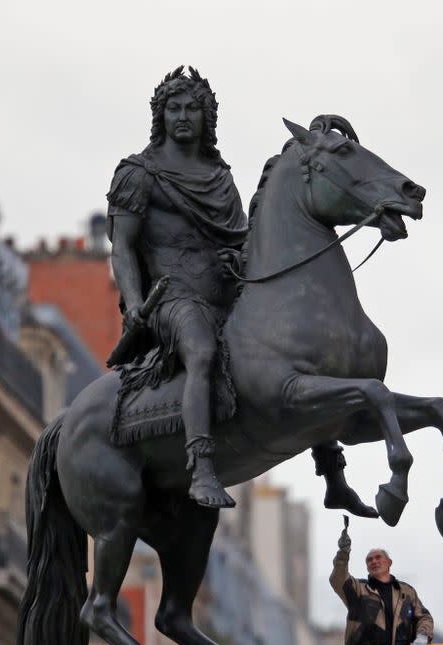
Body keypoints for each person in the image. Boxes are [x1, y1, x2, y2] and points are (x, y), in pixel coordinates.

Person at [106, 65, 381, 516]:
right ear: (159, 115)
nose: (182, 116)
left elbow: (238, 235)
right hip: (173, 295)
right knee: (200, 351)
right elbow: (122, 247)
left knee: (299, 347)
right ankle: (201, 464)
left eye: (192, 108)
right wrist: (135, 302)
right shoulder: (139, 173)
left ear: (205, 116)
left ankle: (334, 476)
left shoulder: (218, 174)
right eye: (173, 108)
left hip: (225, 284)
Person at [330, 517, 433, 645]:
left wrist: (422, 636)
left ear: (389, 562)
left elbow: (423, 617)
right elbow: (338, 579)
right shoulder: (358, 589)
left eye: (378, 557)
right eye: (369, 560)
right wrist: (343, 553)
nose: (374, 561)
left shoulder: (406, 592)